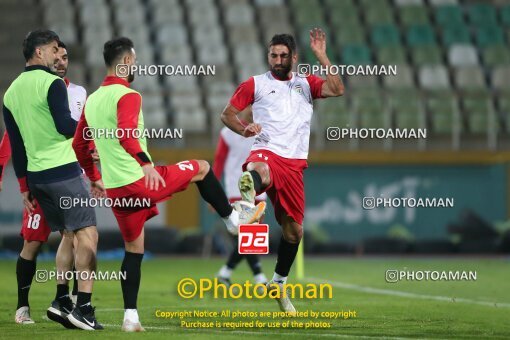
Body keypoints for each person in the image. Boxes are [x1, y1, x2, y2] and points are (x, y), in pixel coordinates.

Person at [71, 37, 266, 332]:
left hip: (115, 190)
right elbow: (126, 134)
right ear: (124, 63)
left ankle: (131, 318)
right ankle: (232, 220)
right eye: (134, 62)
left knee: (134, 249)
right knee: (201, 167)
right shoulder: (129, 95)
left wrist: (95, 178)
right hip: (138, 180)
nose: (135, 67)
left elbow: (79, 144)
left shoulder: (94, 99)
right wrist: (146, 163)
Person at [221, 28, 344, 313]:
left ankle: (278, 282)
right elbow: (227, 114)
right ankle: (246, 205)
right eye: (273, 55)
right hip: (266, 151)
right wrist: (245, 128)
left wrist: (323, 56)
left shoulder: (306, 84)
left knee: (294, 232)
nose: (277, 60)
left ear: (293, 58)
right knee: (258, 170)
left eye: (283, 56)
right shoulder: (255, 84)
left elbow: (337, 89)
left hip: (294, 164)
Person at [2, 30, 103, 330]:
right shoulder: (52, 83)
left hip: (37, 178)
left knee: (69, 236)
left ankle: (61, 302)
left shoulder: (10, 93)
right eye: (52, 49)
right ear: (39, 52)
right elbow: (64, 127)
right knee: (88, 235)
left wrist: (24, 187)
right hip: (64, 171)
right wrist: (93, 132)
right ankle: (83, 308)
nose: (56, 55)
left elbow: (17, 145)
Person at [212, 112, 268, 289]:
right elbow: (219, 162)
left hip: (259, 190)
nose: (254, 110)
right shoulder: (228, 132)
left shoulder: (265, 130)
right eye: (251, 105)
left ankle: (225, 273)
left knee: (250, 238)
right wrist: (213, 194)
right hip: (237, 188)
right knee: (248, 236)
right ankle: (258, 276)